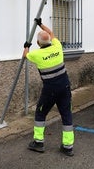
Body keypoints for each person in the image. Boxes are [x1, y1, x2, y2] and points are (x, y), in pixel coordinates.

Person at [23, 18, 74, 157]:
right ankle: (68, 146)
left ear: (38, 43)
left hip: (50, 90)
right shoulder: (57, 46)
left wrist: (26, 45)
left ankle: (39, 143)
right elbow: (50, 32)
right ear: (50, 41)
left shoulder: (36, 54)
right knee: (66, 115)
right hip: (65, 87)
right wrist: (41, 24)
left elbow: (25, 55)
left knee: (40, 113)